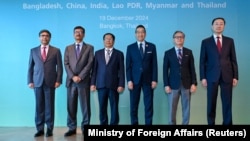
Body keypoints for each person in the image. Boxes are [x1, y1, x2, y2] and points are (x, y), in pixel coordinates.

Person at [199, 17, 238, 125]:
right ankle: (211, 125)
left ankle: (227, 124)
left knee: (227, 103)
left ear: (224, 26)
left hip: (227, 75)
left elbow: (233, 59)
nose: (219, 25)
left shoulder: (230, 41)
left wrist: (235, 76)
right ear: (212, 26)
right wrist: (203, 77)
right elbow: (202, 61)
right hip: (211, 76)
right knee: (211, 103)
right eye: (216, 24)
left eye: (221, 24)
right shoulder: (205, 42)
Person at [27, 29, 63, 137]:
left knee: (49, 107)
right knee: (39, 106)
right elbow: (30, 67)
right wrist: (30, 81)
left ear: (50, 38)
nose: (44, 37)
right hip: (37, 82)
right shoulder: (33, 51)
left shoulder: (56, 50)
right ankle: (40, 129)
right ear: (39, 37)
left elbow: (60, 68)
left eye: (47, 36)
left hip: (51, 82)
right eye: (42, 35)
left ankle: (50, 129)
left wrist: (58, 80)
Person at [64, 26, 94, 136]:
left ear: (84, 35)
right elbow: (66, 64)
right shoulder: (68, 48)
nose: (78, 34)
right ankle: (71, 128)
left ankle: (85, 128)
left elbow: (90, 63)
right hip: (71, 82)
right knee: (71, 106)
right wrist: (73, 76)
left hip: (84, 81)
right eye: (76, 32)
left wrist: (80, 76)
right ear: (73, 34)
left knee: (85, 107)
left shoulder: (90, 48)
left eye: (81, 32)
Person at [163, 31, 197, 125]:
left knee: (186, 108)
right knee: (172, 109)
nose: (179, 39)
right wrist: (166, 85)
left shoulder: (188, 52)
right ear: (173, 39)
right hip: (172, 85)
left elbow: (192, 69)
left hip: (186, 85)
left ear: (184, 39)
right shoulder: (168, 53)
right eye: (177, 37)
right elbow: (165, 70)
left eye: (181, 37)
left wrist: (194, 83)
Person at [126, 24, 158, 125]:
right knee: (133, 106)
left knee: (149, 105)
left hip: (148, 81)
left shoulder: (152, 46)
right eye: (138, 32)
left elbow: (154, 65)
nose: (140, 34)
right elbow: (128, 66)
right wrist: (129, 80)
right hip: (134, 81)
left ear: (145, 34)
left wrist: (154, 79)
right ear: (135, 34)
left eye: (142, 32)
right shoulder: (130, 47)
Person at [90, 33, 125, 125]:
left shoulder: (119, 54)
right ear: (103, 41)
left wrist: (121, 84)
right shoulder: (97, 53)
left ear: (113, 41)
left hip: (114, 86)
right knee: (102, 107)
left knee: (114, 107)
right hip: (101, 85)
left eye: (110, 39)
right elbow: (94, 70)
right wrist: (92, 83)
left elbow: (121, 71)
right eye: (106, 39)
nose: (108, 40)